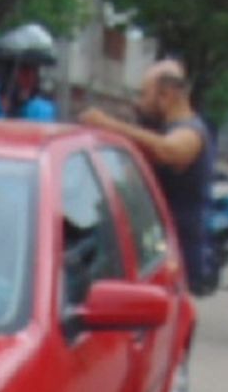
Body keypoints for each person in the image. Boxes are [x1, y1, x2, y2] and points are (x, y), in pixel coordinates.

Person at [78, 60, 214, 294]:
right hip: (158, 254)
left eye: (144, 94)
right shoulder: (163, 130)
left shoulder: (192, 131)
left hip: (178, 259)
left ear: (166, 94)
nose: (139, 103)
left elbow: (169, 151)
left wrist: (108, 124)